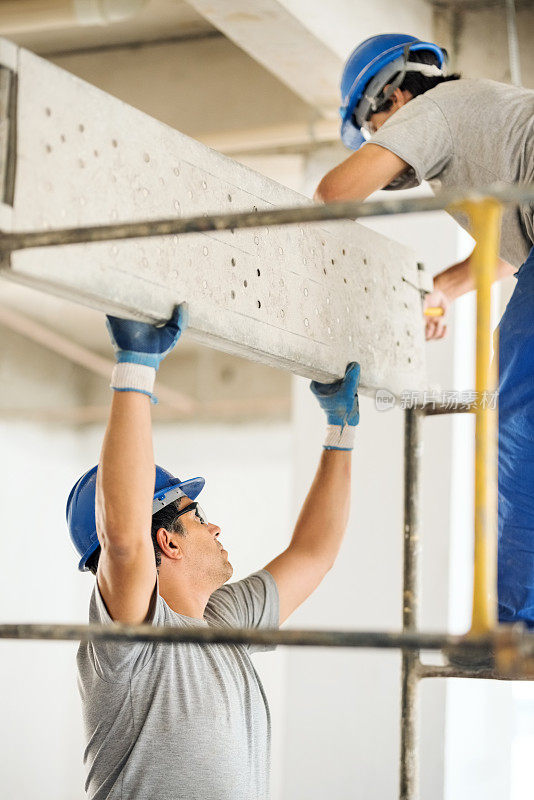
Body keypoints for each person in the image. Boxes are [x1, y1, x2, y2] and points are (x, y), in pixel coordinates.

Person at [66, 304, 360, 800]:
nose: (215, 525)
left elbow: (314, 554)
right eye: (198, 517)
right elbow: (123, 538)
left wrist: (341, 432)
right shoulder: (132, 645)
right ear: (167, 540)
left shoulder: (223, 620)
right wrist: (135, 368)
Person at [315, 33, 534, 627]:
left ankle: (523, 623)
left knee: (520, 404)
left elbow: (334, 194)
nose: (383, 140)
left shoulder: (433, 109)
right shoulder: (477, 123)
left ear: (396, 92)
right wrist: (441, 288)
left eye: (377, 124)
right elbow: (507, 256)